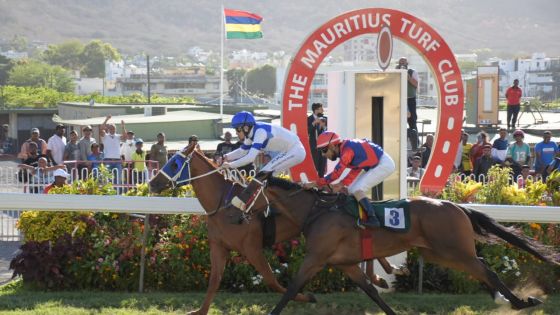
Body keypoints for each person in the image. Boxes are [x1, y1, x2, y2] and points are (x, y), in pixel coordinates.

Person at [306, 131, 395, 228]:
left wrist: (314, 183)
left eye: (324, 150)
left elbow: (335, 174)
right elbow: (356, 169)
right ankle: (361, 215)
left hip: (384, 164)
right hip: (378, 163)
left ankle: (373, 218)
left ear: (332, 146)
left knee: (357, 189)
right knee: (351, 190)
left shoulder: (347, 151)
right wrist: (342, 184)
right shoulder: (346, 148)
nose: (323, 155)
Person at [221, 111, 306, 211]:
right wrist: (225, 157)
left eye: (237, 129)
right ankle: (273, 205)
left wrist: (230, 165)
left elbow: (250, 158)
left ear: (245, 127)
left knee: (262, 175)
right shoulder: (251, 134)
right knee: (266, 178)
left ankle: (276, 204)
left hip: (295, 150)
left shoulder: (259, 132)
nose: (236, 133)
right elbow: (242, 151)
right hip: (289, 150)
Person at [397, 57, 419, 149]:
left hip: (410, 99)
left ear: (407, 63)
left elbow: (416, 84)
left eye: (404, 63)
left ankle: (416, 143)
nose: (402, 64)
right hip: (399, 99)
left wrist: (408, 77)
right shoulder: (395, 71)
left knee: (412, 120)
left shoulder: (412, 72)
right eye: (400, 63)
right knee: (398, 121)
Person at [100, 115, 126, 183]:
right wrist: (106, 119)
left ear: (115, 129)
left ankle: (117, 193)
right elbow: (101, 129)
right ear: (108, 129)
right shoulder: (105, 136)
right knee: (107, 179)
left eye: (113, 128)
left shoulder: (118, 136)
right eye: (111, 128)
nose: (112, 130)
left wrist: (123, 127)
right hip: (107, 160)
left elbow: (125, 137)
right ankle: (108, 193)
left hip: (117, 161)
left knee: (118, 179)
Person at [307, 102, 328, 177]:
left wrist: (324, 127)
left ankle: (321, 184)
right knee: (314, 167)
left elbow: (329, 132)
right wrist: (314, 123)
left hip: (323, 147)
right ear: (316, 110)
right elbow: (307, 131)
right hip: (313, 147)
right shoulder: (309, 119)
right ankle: (314, 184)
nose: (323, 110)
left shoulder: (325, 119)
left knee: (322, 168)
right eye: (321, 109)